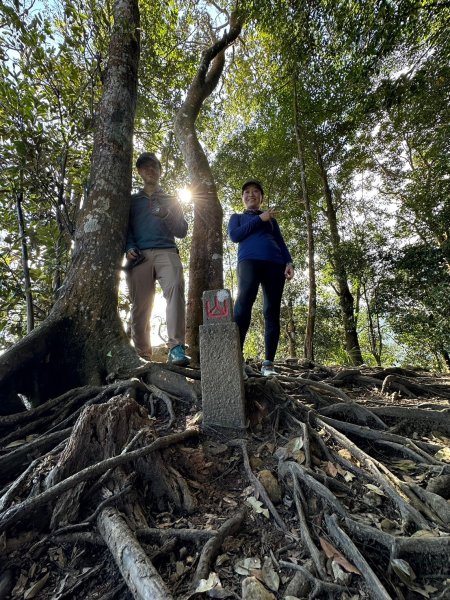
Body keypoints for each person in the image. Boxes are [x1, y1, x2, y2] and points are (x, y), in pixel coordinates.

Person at [125, 152, 190, 366]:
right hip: (140, 255)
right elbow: (126, 229)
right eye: (145, 167)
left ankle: (176, 348)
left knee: (175, 290)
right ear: (139, 172)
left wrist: (166, 214)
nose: (150, 170)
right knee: (140, 305)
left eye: (154, 167)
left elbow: (182, 230)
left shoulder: (172, 200)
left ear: (160, 171)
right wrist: (129, 246)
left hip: (167, 251)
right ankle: (143, 355)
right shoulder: (132, 201)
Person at [228, 179, 294, 376]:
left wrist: (289, 262)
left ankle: (268, 365)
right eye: (247, 192)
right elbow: (235, 236)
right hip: (248, 262)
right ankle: (235, 359)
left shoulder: (272, 221)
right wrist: (259, 219)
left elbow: (281, 243)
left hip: (275, 264)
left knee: (271, 310)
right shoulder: (237, 217)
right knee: (243, 303)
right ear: (243, 198)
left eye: (256, 192)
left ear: (261, 197)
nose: (251, 194)